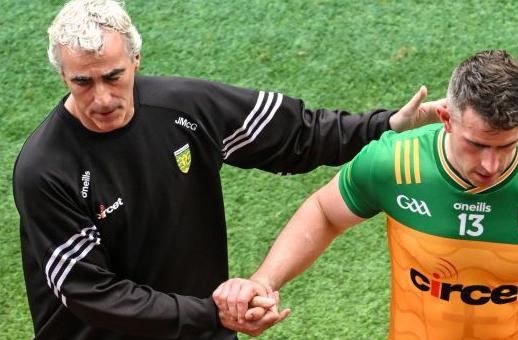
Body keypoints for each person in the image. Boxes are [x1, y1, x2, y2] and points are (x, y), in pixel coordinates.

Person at [11, 0, 442, 339]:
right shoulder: (46, 169)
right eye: (82, 83)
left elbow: (297, 135)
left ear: (136, 60)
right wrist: (214, 313)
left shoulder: (184, 108)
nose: (102, 97)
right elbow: (92, 294)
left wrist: (385, 126)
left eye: (113, 76)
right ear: (63, 76)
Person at [214, 50, 518, 339]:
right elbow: (325, 212)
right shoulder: (395, 163)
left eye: (505, 146)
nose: (491, 165)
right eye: (476, 145)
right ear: (447, 118)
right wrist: (265, 281)